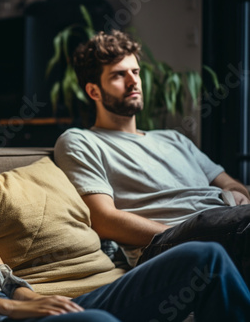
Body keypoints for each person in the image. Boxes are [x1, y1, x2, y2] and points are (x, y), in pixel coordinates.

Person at [0, 91, 250, 322]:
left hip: (4, 306)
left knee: (205, 257)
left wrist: (29, 300)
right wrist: (10, 307)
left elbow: (6, 280)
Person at [53, 29, 250, 279]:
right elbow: (102, 218)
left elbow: (229, 182)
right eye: (118, 75)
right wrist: (180, 235)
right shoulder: (81, 140)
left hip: (228, 219)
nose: (133, 81)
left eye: (135, 72)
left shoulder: (173, 138)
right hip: (169, 243)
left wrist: (239, 194)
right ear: (94, 92)